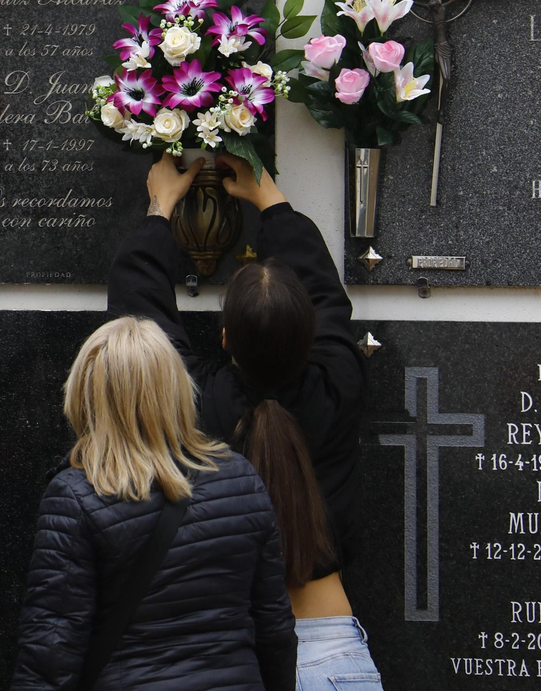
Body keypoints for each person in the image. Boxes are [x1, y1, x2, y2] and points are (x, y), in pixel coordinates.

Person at [107, 154, 382, 691]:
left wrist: (159, 208)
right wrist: (270, 201)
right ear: (310, 335)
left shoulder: (195, 404)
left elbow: (141, 327)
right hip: (333, 660)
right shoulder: (338, 383)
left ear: (226, 338)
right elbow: (326, 296)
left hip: (228, 659)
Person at [9, 316, 297, 691]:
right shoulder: (241, 478)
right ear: (177, 388)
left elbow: (50, 653)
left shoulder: (76, 495)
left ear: (86, 393)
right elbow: (274, 629)